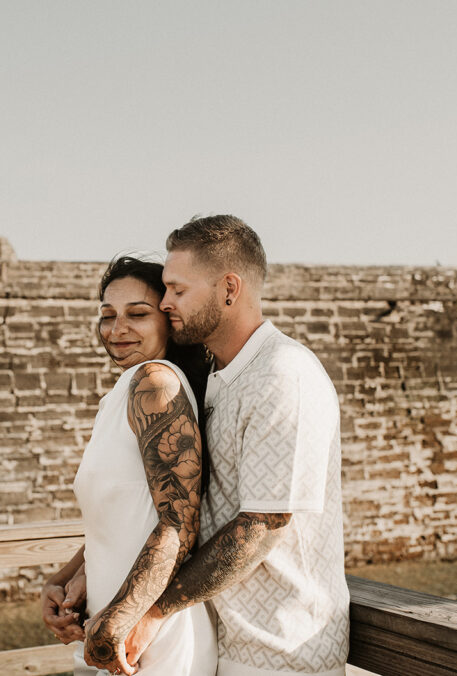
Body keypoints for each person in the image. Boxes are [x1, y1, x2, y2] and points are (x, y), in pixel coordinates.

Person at [86, 216, 350, 676]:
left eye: (178, 290)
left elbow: (262, 526)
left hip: (283, 652)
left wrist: (149, 612)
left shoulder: (284, 375)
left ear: (230, 288)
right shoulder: (216, 379)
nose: (165, 302)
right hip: (226, 642)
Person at [40, 256, 218, 675]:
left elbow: (179, 522)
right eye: (107, 315)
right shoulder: (123, 393)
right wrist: (65, 578)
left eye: (137, 314)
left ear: (169, 321)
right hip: (109, 621)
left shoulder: (155, 384)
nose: (117, 329)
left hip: (149, 632)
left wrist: (124, 616)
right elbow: (122, 515)